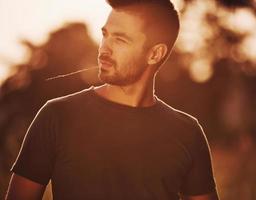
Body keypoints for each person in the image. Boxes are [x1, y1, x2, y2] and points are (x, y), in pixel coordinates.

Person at [6, 0, 219, 199]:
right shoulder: (57, 116)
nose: (103, 49)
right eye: (105, 35)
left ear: (155, 54)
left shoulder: (188, 133)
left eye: (119, 39)